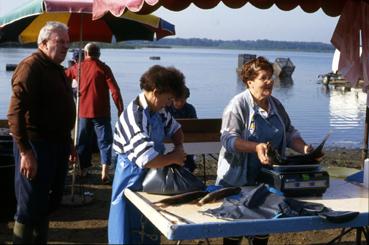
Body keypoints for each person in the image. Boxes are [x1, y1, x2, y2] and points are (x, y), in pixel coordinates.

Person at [216, 57, 312, 245]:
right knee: (235, 232)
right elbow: (227, 139)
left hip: (267, 182)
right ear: (250, 82)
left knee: (262, 230)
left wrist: (306, 148)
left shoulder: (276, 104)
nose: (270, 82)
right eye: (264, 78)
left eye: (271, 77)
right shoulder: (238, 105)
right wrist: (255, 147)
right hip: (236, 182)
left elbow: (290, 132)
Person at [7, 21, 75, 243]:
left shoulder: (56, 68)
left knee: (48, 203)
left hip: (58, 145)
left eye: (67, 42)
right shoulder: (31, 66)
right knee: (29, 206)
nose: (66, 46)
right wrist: (25, 151)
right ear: (44, 43)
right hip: (36, 146)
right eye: (60, 41)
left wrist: (69, 142)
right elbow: (14, 113)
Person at [108, 65, 187, 244]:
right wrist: (174, 158)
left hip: (152, 175)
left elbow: (176, 129)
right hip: (130, 177)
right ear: (156, 92)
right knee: (127, 229)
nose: (169, 104)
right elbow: (146, 159)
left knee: (150, 227)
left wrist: (179, 146)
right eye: (168, 99)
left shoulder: (158, 110)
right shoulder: (135, 116)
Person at [65, 42, 124, 183]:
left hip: (83, 112)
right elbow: (115, 91)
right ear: (99, 54)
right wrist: (120, 110)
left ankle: (83, 170)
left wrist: (68, 95)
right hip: (102, 112)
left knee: (82, 142)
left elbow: (63, 78)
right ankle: (104, 171)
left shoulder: (77, 68)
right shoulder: (104, 68)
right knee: (105, 142)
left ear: (86, 54)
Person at [166, 86, 198, 172]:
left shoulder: (190, 109)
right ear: (172, 98)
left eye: (182, 100)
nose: (179, 103)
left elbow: (195, 125)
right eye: (177, 100)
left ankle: (188, 170)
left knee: (189, 160)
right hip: (168, 139)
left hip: (187, 139)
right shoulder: (165, 108)